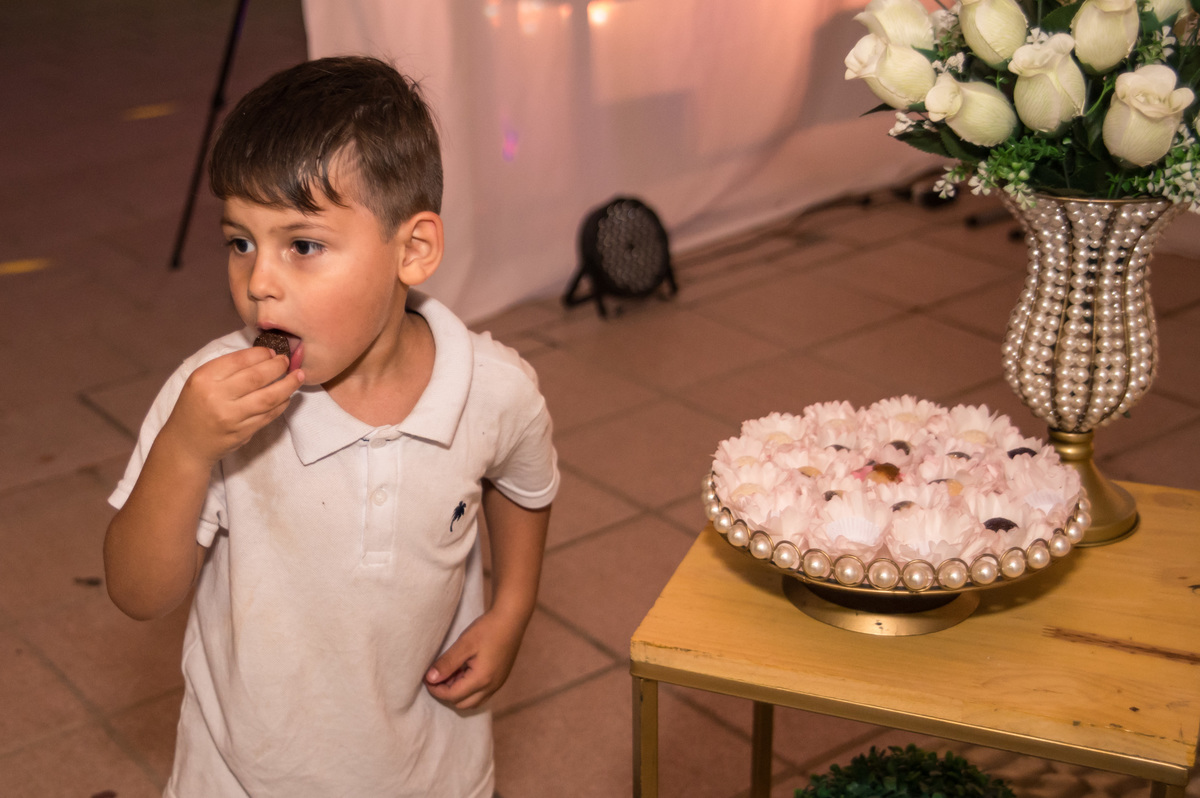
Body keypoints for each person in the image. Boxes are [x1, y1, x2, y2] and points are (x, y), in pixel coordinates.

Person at [103, 56, 558, 797]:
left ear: (412, 250)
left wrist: (513, 607)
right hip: (240, 776)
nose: (259, 282)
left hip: (433, 771)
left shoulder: (493, 389)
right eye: (240, 242)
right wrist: (185, 451)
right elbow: (138, 593)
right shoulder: (210, 400)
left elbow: (525, 480)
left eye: (302, 246)